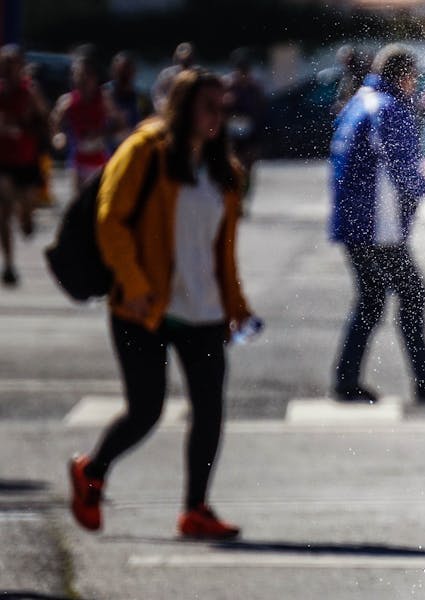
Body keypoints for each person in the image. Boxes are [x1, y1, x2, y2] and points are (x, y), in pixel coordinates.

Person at [67, 68, 255, 540]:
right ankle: (92, 470)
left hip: (204, 310)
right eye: (208, 107)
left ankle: (195, 509)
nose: (217, 117)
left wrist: (237, 305)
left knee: (209, 411)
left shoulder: (224, 170)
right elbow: (110, 220)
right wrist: (133, 284)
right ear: (184, 106)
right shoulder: (145, 150)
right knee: (145, 411)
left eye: (222, 108)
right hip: (142, 307)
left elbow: (222, 250)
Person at [328, 44, 425, 404]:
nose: (415, 84)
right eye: (414, 77)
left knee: (376, 298)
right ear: (403, 75)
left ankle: (351, 379)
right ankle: (423, 380)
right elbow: (407, 175)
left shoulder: (359, 101)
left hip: (355, 222)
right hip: (378, 227)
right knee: (411, 294)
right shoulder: (389, 108)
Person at [0, 44, 47, 288]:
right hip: (3, 161)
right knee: (4, 211)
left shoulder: (30, 91)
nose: (8, 69)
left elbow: (44, 118)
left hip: (27, 159)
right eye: (4, 64)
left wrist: (29, 121)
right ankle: (9, 265)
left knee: (25, 207)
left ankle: (26, 217)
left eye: (13, 63)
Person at [51, 50, 123, 190]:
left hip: (101, 159)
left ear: (94, 77)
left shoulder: (104, 99)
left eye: (86, 75)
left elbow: (120, 124)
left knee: (100, 198)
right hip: (77, 162)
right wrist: (59, 137)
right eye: (78, 75)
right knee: (80, 199)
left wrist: (101, 133)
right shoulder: (67, 101)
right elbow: (55, 124)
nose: (82, 80)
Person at [222, 49, 267, 201]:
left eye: (245, 70)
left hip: (250, 133)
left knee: (248, 166)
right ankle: (233, 194)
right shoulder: (227, 85)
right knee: (233, 164)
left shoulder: (254, 87)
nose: (243, 74)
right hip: (232, 133)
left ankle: (244, 195)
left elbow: (261, 110)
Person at [103, 51, 151, 146]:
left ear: (134, 72)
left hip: (133, 145)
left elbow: (148, 123)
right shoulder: (104, 95)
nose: (124, 75)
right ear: (113, 72)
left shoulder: (141, 98)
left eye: (127, 70)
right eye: (120, 72)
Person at [153, 42, 195, 114]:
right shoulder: (167, 74)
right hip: (169, 111)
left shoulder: (197, 74)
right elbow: (157, 94)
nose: (185, 61)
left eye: (188, 59)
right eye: (183, 59)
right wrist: (167, 108)